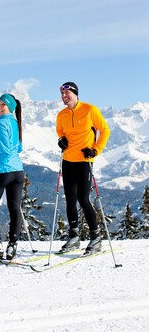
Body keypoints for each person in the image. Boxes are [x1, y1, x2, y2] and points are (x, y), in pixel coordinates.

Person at [56, 82, 110, 253]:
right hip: (68, 160)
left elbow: (105, 130)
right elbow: (60, 132)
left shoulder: (90, 110)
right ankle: (74, 237)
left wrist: (95, 150)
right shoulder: (61, 115)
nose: (64, 97)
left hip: (85, 160)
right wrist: (61, 140)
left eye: (67, 93)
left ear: (75, 93)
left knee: (83, 198)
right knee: (70, 198)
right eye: (62, 94)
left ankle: (96, 237)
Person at [0, 93, 24, 260]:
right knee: (14, 208)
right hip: (18, 172)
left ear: (10, 107)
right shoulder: (15, 123)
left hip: (3, 172)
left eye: (3, 104)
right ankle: (12, 246)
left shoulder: (0, 125)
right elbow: (18, 148)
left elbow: (5, 151)